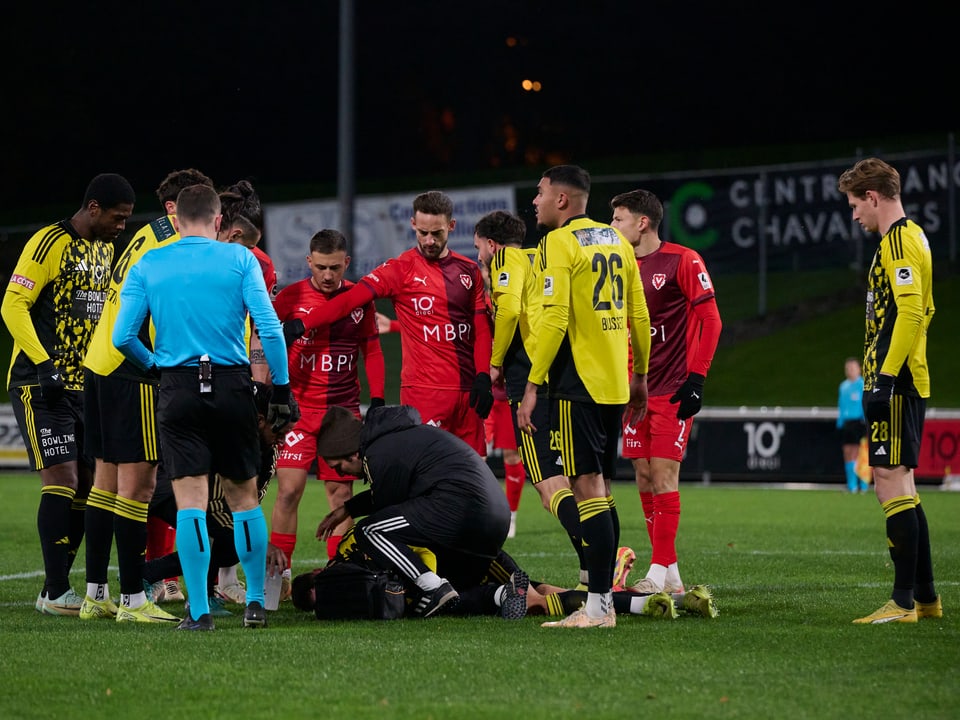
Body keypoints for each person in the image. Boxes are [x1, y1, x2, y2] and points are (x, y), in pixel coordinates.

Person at [112, 183, 296, 631]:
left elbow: (122, 337)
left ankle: (198, 613)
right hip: (232, 385)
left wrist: (155, 366)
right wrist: (283, 391)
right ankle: (254, 603)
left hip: (178, 386)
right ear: (219, 221)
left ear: (176, 221)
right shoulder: (239, 259)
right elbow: (270, 329)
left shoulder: (150, 262)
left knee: (191, 503)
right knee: (244, 499)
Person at [516, 165, 651, 629]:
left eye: (539, 193)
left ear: (561, 200)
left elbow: (553, 320)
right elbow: (638, 311)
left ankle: (597, 608)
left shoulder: (557, 243)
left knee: (586, 489)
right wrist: (641, 374)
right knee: (602, 493)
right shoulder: (617, 240)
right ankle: (603, 601)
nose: (534, 201)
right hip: (614, 382)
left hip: (578, 383)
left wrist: (532, 385)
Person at [80, 168, 213, 623]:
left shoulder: (146, 232)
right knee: (138, 486)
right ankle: (134, 600)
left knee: (104, 484)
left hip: (98, 363)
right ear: (181, 211)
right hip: (130, 367)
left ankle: (96, 593)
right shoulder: (171, 244)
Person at [2, 173, 135, 616]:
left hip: (87, 386)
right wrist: (43, 365)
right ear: (93, 207)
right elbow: (12, 305)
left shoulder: (106, 249)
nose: (121, 226)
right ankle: (58, 591)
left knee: (86, 488)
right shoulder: (49, 241)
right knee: (62, 478)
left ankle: (51, 589)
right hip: (39, 382)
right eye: (117, 217)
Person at [282, 191, 494, 455]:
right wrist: (303, 324)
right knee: (427, 470)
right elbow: (350, 300)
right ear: (413, 224)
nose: (429, 240)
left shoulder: (469, 271)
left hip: (468, 393)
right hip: (424, 393)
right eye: (423, 232)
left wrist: (483, 375)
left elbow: (481, 329)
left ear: (451, 226)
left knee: (475, 477)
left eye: (437, 233)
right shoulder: (399, 269)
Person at [837, 157, 940, 624]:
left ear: (873, 197)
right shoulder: (910, 236)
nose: (854, 214)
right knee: (904, 487)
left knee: (889, 482)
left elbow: (912, 313)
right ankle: (925, 599)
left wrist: (885, 378)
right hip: (899, 378)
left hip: (894, 382)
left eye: (856, 204)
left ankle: (902, 603)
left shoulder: (898, 243)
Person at [609, 189, 722, 595]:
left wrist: (697, 379)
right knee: (642, 476)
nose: (612, 227)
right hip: (633, 392)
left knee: (663, 476)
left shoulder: (683, 260)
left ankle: (656, 570)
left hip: (672, 389)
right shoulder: (617, 266)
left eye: (618, 219)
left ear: (642, 223)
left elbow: (712, 321)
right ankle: (671, 572)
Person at [314, 404, 511, 618]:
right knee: (446, 594)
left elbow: (387, 508)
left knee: (369, 531)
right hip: (491, 520)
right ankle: (525, 594)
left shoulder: (377, 454)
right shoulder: (399, 440)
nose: (340, 474)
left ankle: (433, 587)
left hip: (460, 510)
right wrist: (348, 508)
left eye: (337, 466)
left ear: (352, 454)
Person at [270, 228, 385, 590]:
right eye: (321, 267)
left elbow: (372, 350)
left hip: (341, 413)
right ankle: (280, 576)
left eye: (335, 267)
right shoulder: (289, 298)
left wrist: (378, 399)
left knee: (341, 496)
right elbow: (264, 343)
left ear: (346, 263)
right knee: (288, 491)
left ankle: (338, 573)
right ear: (309, 262)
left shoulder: (358, 299)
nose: (328, 275)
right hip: (298, 413)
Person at [474, 209, 586, 580]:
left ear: (492, 245)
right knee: (579, 477)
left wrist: (494, 364)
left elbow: (507, 313)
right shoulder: (543, 254)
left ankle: (600, 552)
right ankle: (593, 572)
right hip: (566, 372)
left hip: (529, 376)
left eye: (479, 249)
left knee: (546, 482)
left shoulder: (508, 258)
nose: (478, 257)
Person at [143, 381, 282, 617]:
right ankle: (149, 576)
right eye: (279, 430)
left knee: (232, 539)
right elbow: (214, 507)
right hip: (168, 488)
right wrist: (257, 541)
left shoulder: (267, 451)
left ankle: (201, 596)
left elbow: (251, 500)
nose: (284, 438)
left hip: (204, 498)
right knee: (227, 536)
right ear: (259, 421)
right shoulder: (229, 439)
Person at [836, 357, 869, 493]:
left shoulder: (862, 385)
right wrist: (840, 421)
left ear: (859, 369)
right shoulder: (843, 386)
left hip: (858, 423)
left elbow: (865, 405)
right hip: (847, 423)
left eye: (852, 368)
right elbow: (841, 405)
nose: (850, 371)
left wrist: (865, 421)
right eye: (848, 368)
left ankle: (863, 484)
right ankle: (852, 485)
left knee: (858, 453)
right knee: (847, 452)